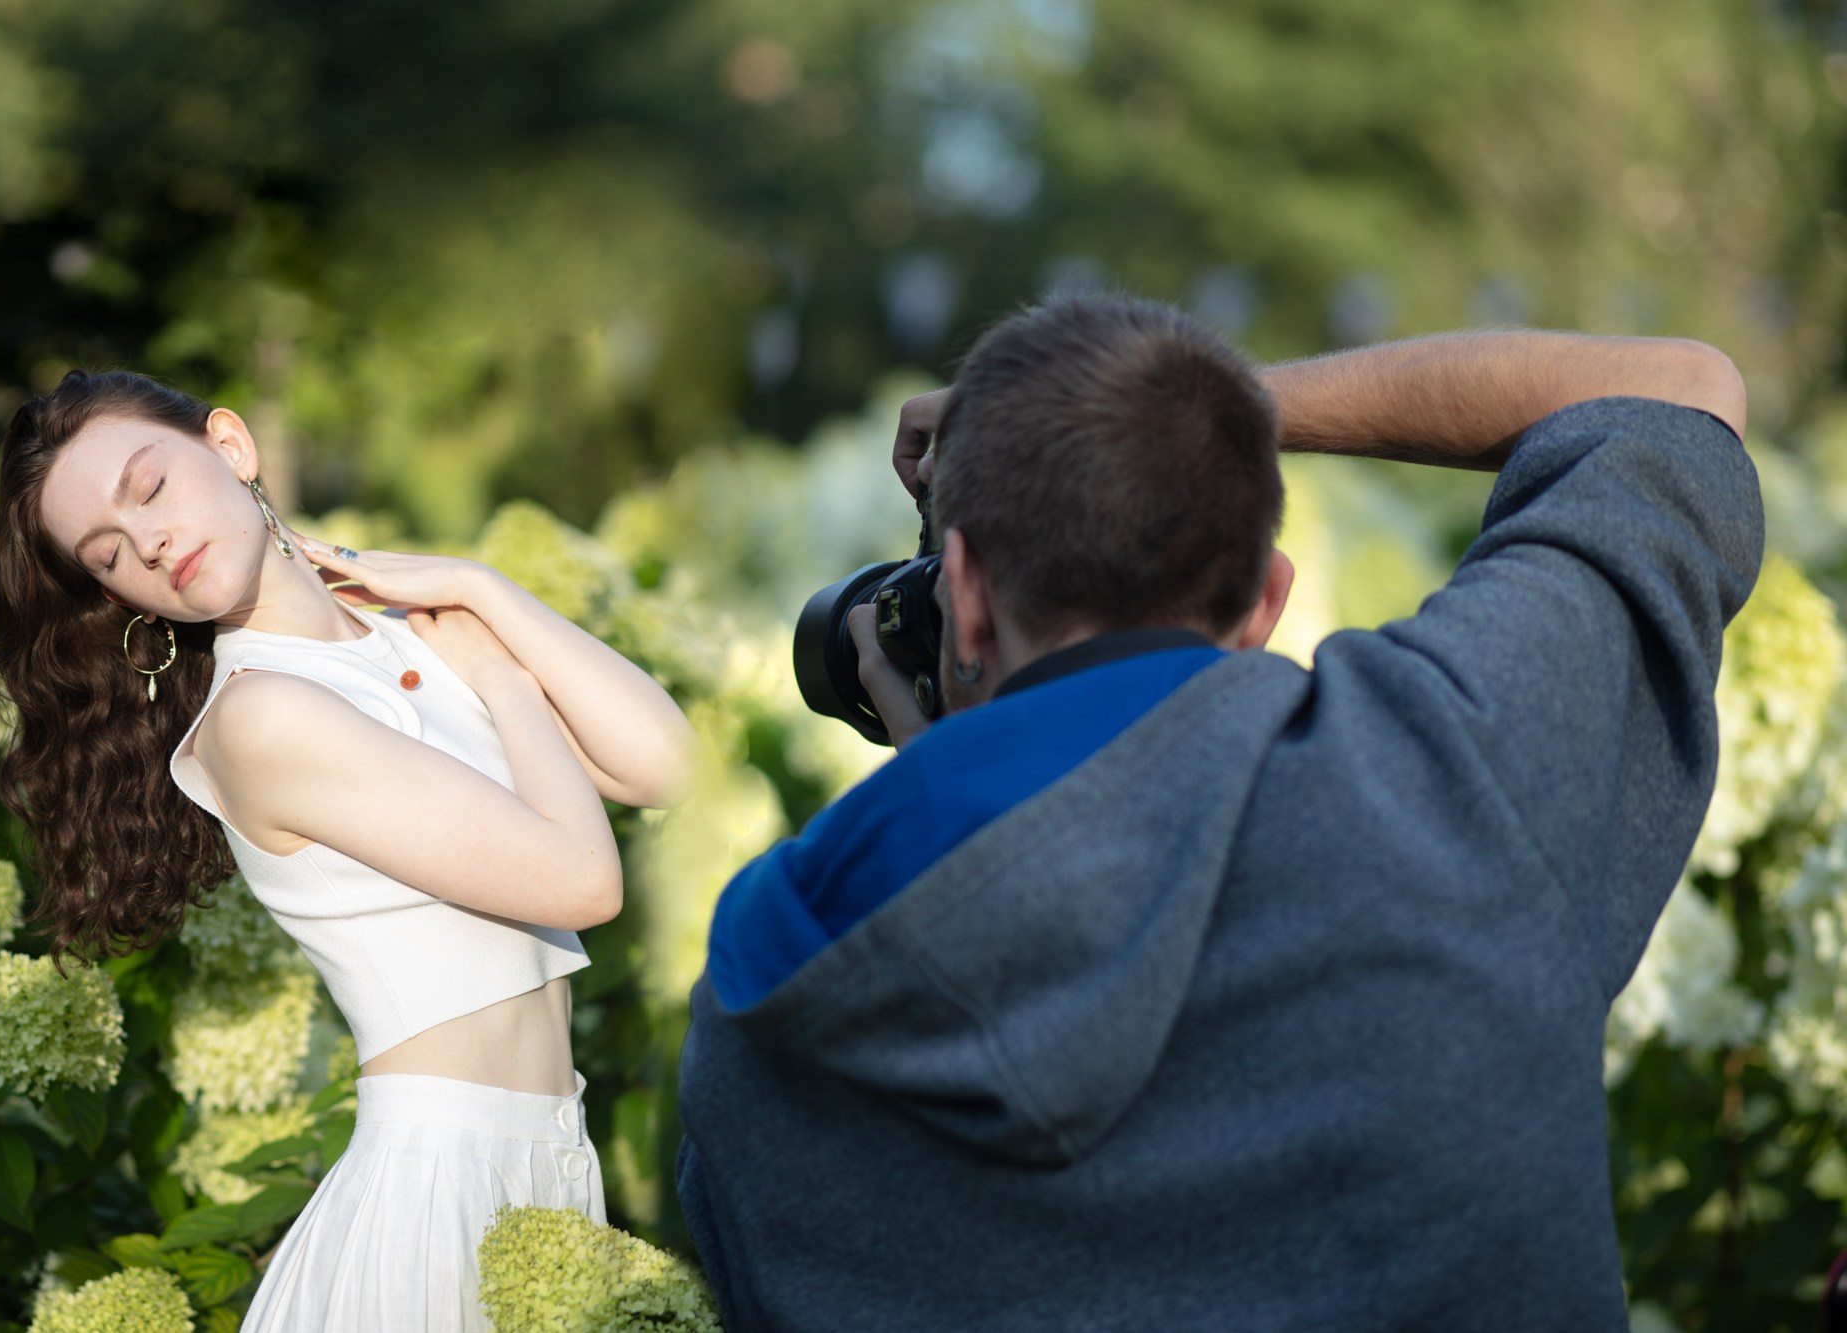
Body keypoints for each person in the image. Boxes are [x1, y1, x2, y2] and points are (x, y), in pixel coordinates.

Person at [673, 295, 1759, 1331]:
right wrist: (1215, 417)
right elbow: (1679, 388)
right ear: (1266, 597)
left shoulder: (764, 992)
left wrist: (951, 796)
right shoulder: (1454, 761)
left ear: (958, 591)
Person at [0, 372, 695, 1332]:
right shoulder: (260, 718)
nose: (146, 541)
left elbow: (661, 765)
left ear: (230, 447)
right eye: (107, 554)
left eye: (149, 488)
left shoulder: (411, 629)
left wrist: (476, 585)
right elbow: (583, 880)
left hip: (547, 1161)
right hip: (437, 1199)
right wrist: (508, 684)